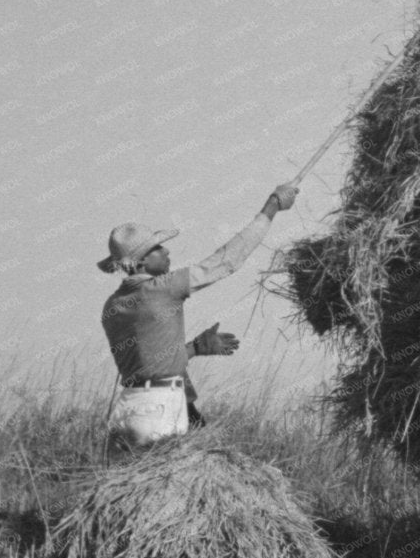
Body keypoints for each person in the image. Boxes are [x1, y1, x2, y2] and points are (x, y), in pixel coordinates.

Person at [98, 181, 297, 450]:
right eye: (158, 248)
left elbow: (150, 361)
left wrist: (196, 348)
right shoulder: (162, 289)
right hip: (160, 408)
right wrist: (271, 208)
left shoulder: (111, 306)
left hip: (126, 411)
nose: (166, 251)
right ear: (142, 261)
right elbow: (225, 261)